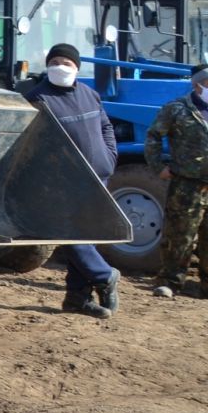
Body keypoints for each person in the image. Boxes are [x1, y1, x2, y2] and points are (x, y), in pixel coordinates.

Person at [20, 43, 119, 318]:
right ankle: (104, 275)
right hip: (61, 182)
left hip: (98, 176)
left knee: (87, 235)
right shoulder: (37, 99)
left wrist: (109, 157)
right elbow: (30, 144)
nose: (61, 67)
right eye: (56, 62)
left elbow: (106, 126)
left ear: (77, 68)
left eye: (67, 63)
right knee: (69, 234)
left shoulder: (89, 94)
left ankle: (78, 298)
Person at [143, 63, 208, 299]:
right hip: (186, 185)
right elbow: (153, 136)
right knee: (180, 236)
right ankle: (170, 281)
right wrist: (158, 167)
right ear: (197, 84)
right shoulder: (178, 109)